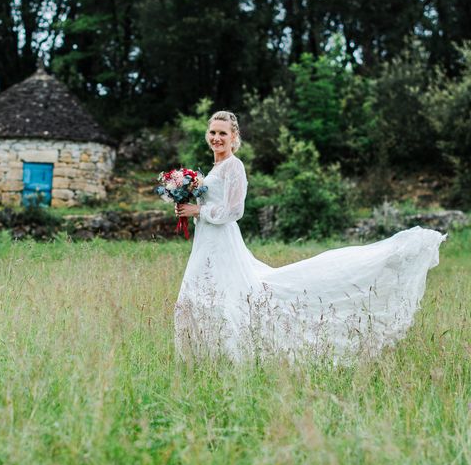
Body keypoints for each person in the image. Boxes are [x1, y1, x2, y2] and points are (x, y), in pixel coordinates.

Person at [174, 111, 446, 363]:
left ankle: (234, 354)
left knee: (232, 293)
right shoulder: (213, 169)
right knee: (203, 294)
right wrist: (189, 208)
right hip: (207, 240)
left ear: (234, 137)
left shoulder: (235, 167)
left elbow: (235, 211)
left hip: (223, 241)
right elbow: (215, 206)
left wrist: (199, 209)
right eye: (212, 133)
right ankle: (206, 355)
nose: (217, 138)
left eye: (223, 133)